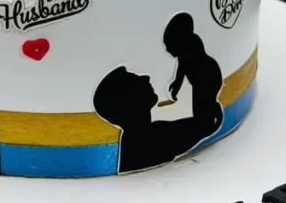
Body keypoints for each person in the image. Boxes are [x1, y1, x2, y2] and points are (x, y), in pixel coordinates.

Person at [92, 13, 224, 173]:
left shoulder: (138, 136)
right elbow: (205, 125)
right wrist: (212, 112)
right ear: (129, 102)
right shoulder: (152, 137)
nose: (146, 76)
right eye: (135, 79)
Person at [163, 12, 223, 141]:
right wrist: (176, 83)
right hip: (203, 80)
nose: (167, 49)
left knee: (201, 107)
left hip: (207, 79)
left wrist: (177, 84)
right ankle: (209, 117)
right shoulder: (186, 50)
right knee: (201, 107)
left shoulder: (191, 47)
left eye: (169, 45)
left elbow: (183, 67)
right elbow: (181, 68)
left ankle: (208, 124)